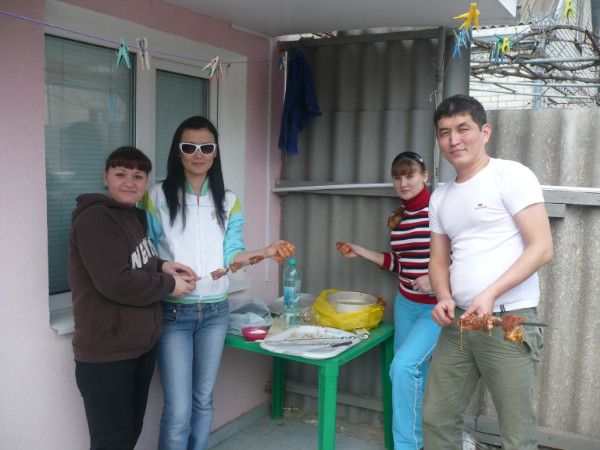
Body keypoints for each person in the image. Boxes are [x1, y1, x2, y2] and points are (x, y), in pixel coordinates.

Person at [139, 116, 295, 450]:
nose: (198, 154)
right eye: (189, 147)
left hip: (215, 313)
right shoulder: (156, 195)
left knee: (203, 400)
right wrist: (166, 277)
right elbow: (145, 253)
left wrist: (265, 252)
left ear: (215, 152)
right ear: (177, 151)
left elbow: (232, 256)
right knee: (178, 410)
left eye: (206, 147)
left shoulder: (228, 200)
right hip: (172, 314)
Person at [422, 95, 554, 450]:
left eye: (462, 128)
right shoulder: (440, 196)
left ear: (485, 132)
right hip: (458, 323)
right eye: (444, 132)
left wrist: (491, 292)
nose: (454, 139)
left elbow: (542, 247)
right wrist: (443, 297)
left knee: (516, 433)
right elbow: (438, 261)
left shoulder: (510, 175)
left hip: (508, 321)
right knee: (436, 418)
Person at [68, 146, 197, 450]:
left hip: (137, 346)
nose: (130, 182)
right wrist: (170, 284)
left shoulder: (133, 217)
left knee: (128, 436)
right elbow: (115, 281)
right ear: (105, 177)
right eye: (120, 174)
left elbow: (133, 261)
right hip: (107, 351)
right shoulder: (96, 219)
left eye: (138, 176)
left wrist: (162, 266)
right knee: (111, 442)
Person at [336, 151, 440, 450]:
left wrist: (435, 279)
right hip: (406, 305)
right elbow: (399, 263)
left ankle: (407, 445)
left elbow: (465, 256)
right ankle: (415, 441)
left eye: (410, 176)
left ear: (425, 177)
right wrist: (361, 251)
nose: (403, 183)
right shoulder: (400, 218)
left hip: (435, 308)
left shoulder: (439, 211)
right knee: (409, 375)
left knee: (403, 368)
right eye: (397, 177)